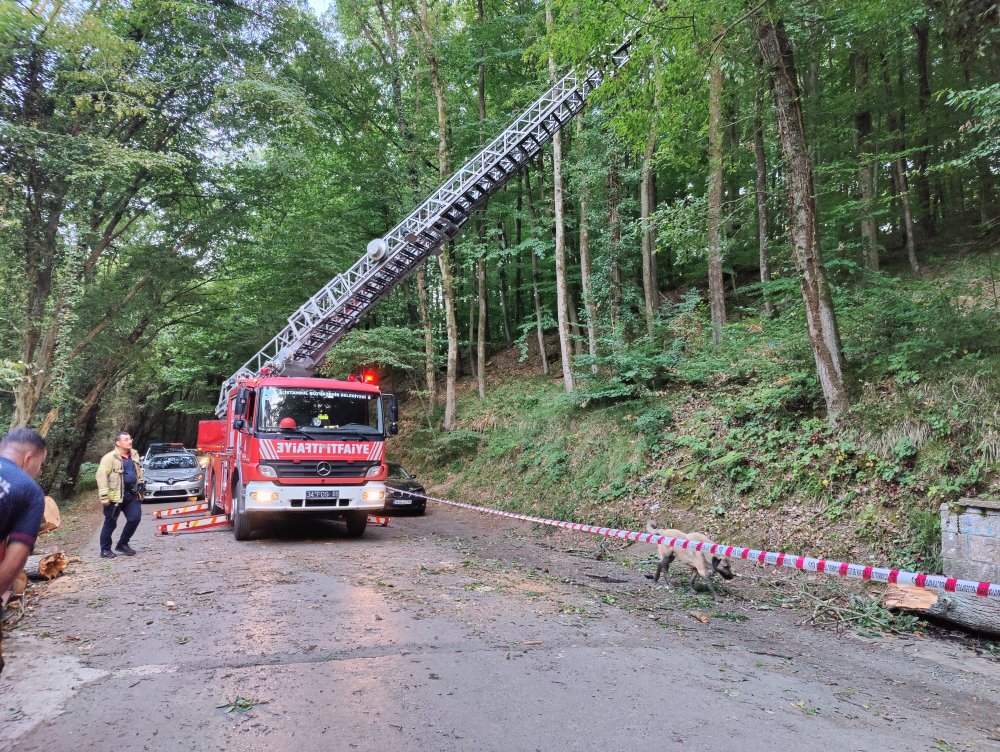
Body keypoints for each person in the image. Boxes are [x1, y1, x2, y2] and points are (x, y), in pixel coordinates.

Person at [0, 428, 47, 596]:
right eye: (40, 464)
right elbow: (14, 562)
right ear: (28, 458)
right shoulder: (29, 492)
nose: (39, 471)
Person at [96, 431, 145, 558]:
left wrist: (141, 488)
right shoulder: (109, 458)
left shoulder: (134, 454)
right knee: (110, 523)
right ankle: (105, 549)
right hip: (114, 498)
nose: (129, 441)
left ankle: (122, 544)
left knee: (135, 519)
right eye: (126, 439)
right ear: (118, 443)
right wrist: (104, 497)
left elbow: (139, 473)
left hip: (132, 495)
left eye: (130, 439)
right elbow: (101, 477)